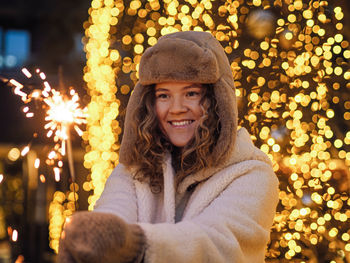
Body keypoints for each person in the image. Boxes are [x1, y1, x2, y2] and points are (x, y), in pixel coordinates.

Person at [58, 31, 279, 263]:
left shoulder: (253, 174)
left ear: (217, 100)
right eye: (164, 96)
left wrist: (134, 243)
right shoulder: (132, 171)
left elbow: (218, 244)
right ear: (149, 104)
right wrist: (92, 237)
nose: (176, 108)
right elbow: (113, 215)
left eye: (191, 93)